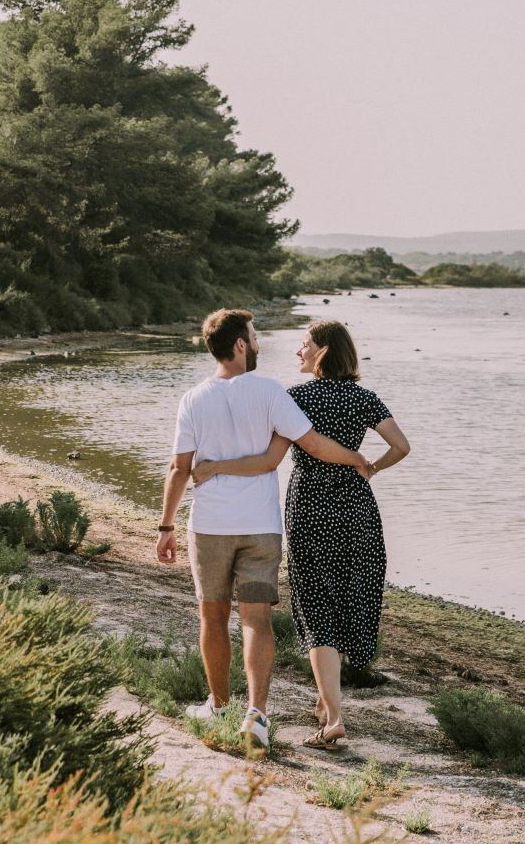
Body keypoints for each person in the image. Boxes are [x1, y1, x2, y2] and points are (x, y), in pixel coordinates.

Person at [155, 308, 372, 750]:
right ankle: (256, 714)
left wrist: (166, 525)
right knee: (256, 620)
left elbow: (179, 469)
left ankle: (219, 706)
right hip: (261, 529)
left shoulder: (194, 398)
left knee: (212, 616)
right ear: (239, 345)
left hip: (210, 527)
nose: (258, 343)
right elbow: (311, 444)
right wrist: (356, 459)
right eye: (254, 336)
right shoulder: (271, 392)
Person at [193, 319, 410, 749]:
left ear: (323, 352)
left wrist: (217, 466)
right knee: (349, 595)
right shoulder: (365, 399)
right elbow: (401, 446)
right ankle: (327, 704)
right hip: (356, 509)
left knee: (315, 608)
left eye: (305, 345)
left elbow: (271, 458)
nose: (298, 352)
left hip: (310, 508)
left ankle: (333, 715)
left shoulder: (297, 398)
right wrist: (368, 469)